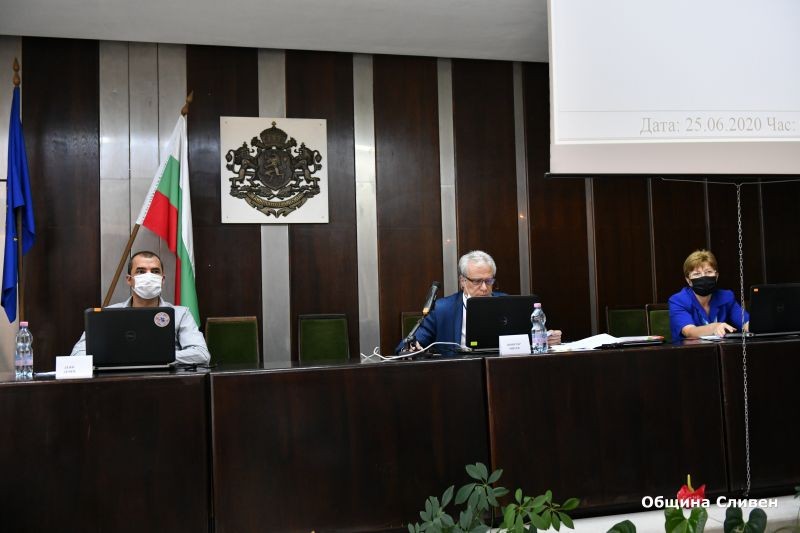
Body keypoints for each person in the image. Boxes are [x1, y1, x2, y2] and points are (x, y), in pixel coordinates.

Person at [395, 250, 562, 354]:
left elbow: (529, 338)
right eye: (476, 281)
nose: (484, 288)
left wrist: (546, 338)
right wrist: (411, 348)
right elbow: (408, 345)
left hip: (501, 368)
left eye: (488, 281)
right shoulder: (442, 309)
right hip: (457, 372)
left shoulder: (506, 303)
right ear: (462, 281)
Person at [70, 250, 211, 365]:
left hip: (166, 381)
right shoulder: (106, 315)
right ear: (129, 279)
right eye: (141, 271)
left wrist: (152, 356)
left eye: (155, 271)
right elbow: (77, 355)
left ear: (162, 280)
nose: (149, 276)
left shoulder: (181, 314)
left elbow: (201, 354)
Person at [668, 249, 749, 340]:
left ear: (716, 276)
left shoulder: (726, 297)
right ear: (688, 280)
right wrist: (714, 327)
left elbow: (745, 322)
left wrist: (751, 326)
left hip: (722, 348)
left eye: (708, 272)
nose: (703, 277)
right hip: (689, 348)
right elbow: (689, 332)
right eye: (697, 274)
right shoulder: (678, 300)